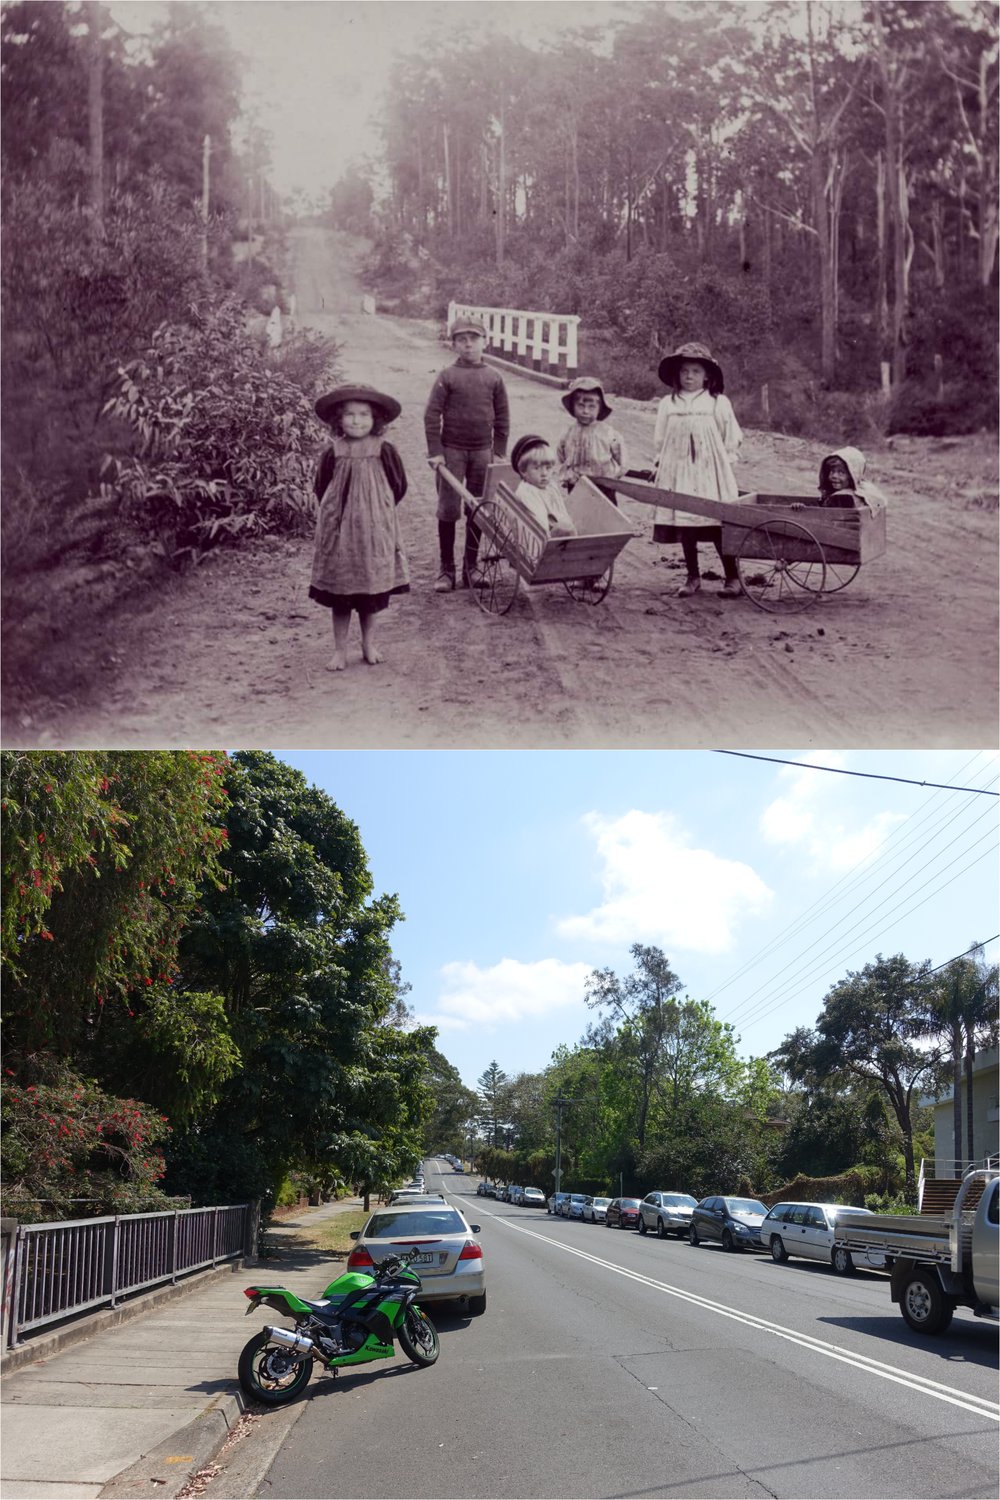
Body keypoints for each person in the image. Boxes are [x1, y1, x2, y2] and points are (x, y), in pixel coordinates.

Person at [309, 383, 409, 671]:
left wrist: (377, 511)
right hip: (339, 534)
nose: (356, 420)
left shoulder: (384, 450)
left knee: (370, 591)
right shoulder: (333, 452)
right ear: (338, 419)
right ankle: (340, 650)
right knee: (341, 592)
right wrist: (337, 514)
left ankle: (369, 644)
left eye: (364, 415)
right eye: (350, 415)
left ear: (375, 419)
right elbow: (321, 487)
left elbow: (398, 486)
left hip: (373, 534)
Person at [424, 317, 510, 591]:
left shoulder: (494, 377)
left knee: (478, 508)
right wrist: (436, 452)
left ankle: (470, 568)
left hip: (483, 452)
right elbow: (431, 415)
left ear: (485, 342)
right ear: (454, 344)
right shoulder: (447, 376)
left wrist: (499, 452)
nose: (468, 344)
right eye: (462, 339)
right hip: (452, 452)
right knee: (449, 510)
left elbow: (503, 417)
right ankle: (446, 571)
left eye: (474, 338)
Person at [652, 341, 743, 598]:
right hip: (678, 470)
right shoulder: (668, 404)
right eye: (684, 371)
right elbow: (660, 438)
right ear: (676, 375)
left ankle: (733, 576)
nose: (689, 376)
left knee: (716, 523)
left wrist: (724, 462)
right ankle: (693, 576)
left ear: (707, 376)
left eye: (695, 371)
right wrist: (660, 462)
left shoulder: (717, 402)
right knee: (686, 524)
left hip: (709, 471)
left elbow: (731, 435)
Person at [555, 376, 627, 490]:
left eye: (591, 407)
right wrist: (567, 474)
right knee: (577, 507)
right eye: (581, 406)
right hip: (576, 484)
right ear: (573, 407)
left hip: (604, 485)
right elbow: (560, 457)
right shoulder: (568, 433)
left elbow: (622, 459)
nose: (585, 411)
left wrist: (614, 476)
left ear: (599, 408)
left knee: (604, 507)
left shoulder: (608, 433)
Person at [510, 435, 577, 537]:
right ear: (523, 471)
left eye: (548, 468)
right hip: (539, 539)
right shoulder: (527, 492)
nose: (544, 473)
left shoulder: (550, 486)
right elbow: (540, 527)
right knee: (566, 527)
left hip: (555, 532)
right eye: (536, 468)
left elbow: (562, 512)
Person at [818, 447, 887, 509]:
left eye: (841, 472)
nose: (834, 476)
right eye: (832, 471)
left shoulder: (842, 498)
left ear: (852, 476)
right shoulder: (865, 491)